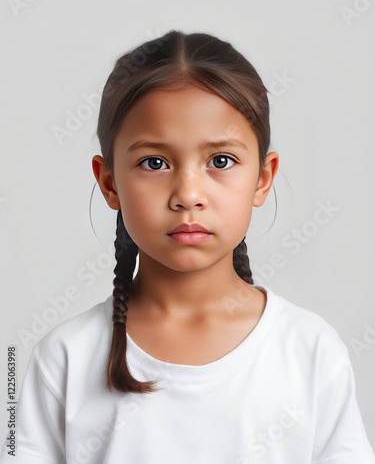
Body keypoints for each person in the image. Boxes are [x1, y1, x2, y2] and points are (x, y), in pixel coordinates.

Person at [1, 30, 374, 464]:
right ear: (109, 183)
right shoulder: (64, 357)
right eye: (154, 163)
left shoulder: (310, 351)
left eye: (221, 161)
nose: (188, 194)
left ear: (263, 177)